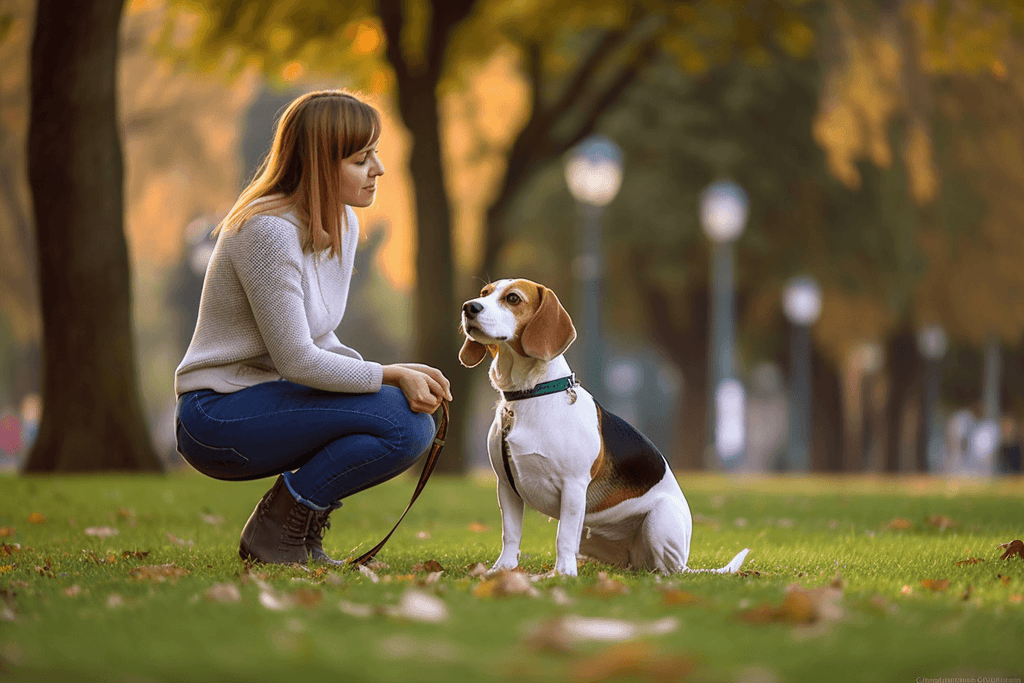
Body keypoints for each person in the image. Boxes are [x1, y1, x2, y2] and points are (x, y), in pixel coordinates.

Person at [174, 90, 452, 566]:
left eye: (375, 155)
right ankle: (278, 522)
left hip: (271, 400)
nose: (378, 170)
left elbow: (321, 340)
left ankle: (293, 528)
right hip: (215, 418)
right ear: (323, 163)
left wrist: (395, 374)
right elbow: (297, 359)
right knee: (397, 418)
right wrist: (390, 375)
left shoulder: (340, 223)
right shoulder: (266, 232)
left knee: (410, 427)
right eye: (362, 159)